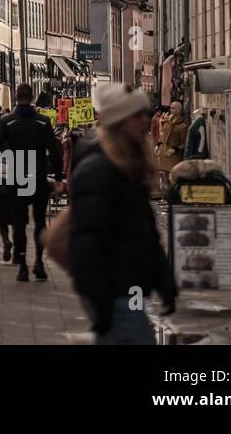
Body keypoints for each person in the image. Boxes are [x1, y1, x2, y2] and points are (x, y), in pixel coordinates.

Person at [70, 83, 176, 344]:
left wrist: (164, 280)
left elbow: (145, 233)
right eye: (138, 115)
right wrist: (100, 301)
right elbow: (86, 244)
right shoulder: (100, 171)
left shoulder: (128, 167)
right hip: (114, 292)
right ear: (120, 121)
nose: (147, 121)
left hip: (129, 288)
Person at [0, 83, 64, 282]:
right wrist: (58, 177)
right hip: (38, 177)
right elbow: (55, 150)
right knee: (40, 222)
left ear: (16, 97)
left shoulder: (6, 121)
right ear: (32, 97)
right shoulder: (43, 121)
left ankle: (22, 266)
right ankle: (39, 263)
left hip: (16, 178)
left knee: (19, 223)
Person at [157, 100, 188, 189]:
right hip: (163, 151)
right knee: (163, 176)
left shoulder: (183, 126)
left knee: (173, 177)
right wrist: (158, 144)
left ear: (179, 110)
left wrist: (175, 149)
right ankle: (165, 197)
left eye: (173, 108)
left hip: (173, 155)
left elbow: (185, 143)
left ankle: (172, 197)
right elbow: (163, 134)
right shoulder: (167, 121)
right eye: (171, 108)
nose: (171, 110)